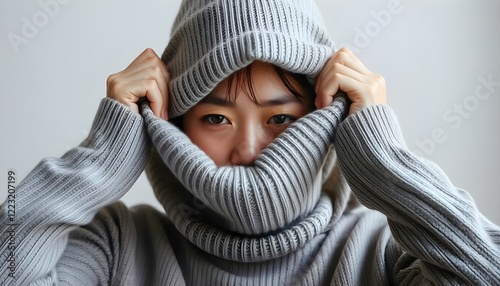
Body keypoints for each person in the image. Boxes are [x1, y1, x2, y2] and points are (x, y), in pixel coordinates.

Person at [1, 0, 499, 285]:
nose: (247, 150)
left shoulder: (383, 254)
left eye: (281, 118)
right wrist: (100, 158)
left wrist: (386, 162)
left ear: (331, 118)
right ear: (171, 124)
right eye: (216, 116)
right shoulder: (115, 248)